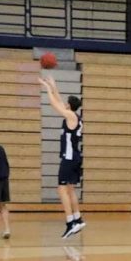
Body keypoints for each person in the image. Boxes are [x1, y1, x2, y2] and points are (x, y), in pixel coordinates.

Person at [38, 75, 85, 238]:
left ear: (69, 106)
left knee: (61, 189)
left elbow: (54, 103)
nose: (63, 104)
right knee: (70, 190)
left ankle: (70, 222)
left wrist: (46, 89)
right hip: (74, 158)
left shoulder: (71, 117)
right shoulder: (72, 115)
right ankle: (78, 218)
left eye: (66, 103)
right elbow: (58, 100)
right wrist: (53, 85)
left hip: (70, 158)